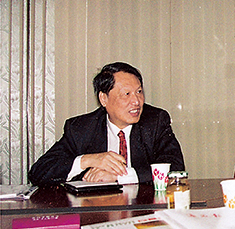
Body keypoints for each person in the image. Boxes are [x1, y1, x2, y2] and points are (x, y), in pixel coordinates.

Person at [29, 62, 185, 185]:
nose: (136, 101)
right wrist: (89, 160)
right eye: (126, 94)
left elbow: (175, 168)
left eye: (139, 92)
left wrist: (120, 177)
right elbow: (39, 172)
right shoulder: (81, 128)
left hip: (144, 209)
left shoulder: (155, 121)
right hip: (99, 209)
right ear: (103, 99)